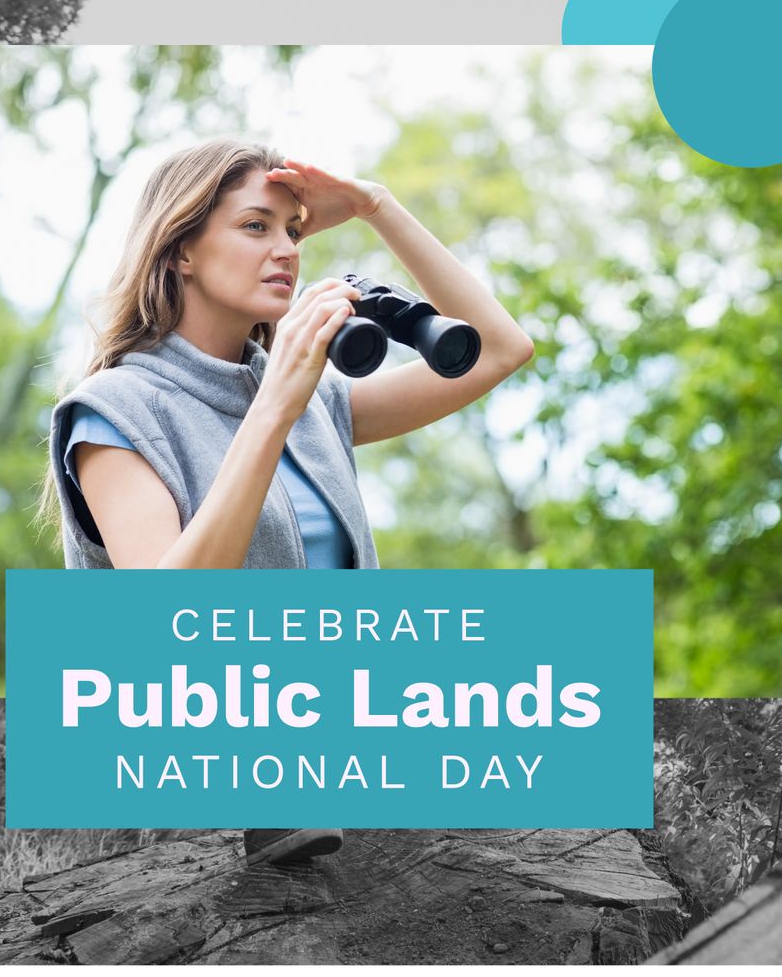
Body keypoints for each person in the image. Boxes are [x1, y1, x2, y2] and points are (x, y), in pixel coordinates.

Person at [46, 137, 535, 866]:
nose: (285, 250)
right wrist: (275, 404)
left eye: (293, 231)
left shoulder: (314, 402)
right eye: (255, 227)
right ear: (180, 250)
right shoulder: (113, 414)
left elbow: (501, 349)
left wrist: (377, 206)